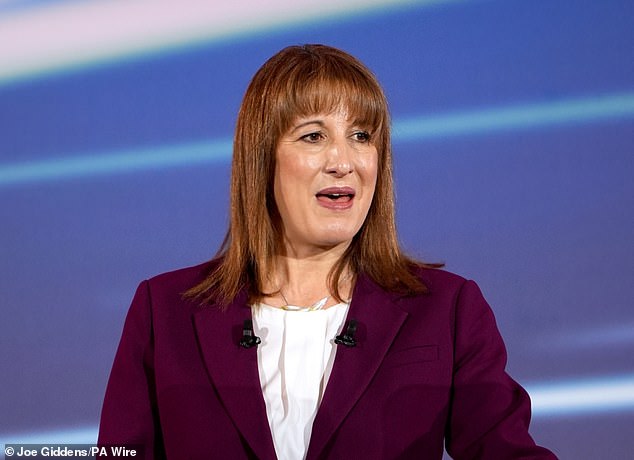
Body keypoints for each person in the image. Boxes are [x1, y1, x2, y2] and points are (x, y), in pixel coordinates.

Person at [99, 44, 557, 459]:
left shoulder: (446, 310)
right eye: (313, 136)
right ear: (262, 158)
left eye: (361, 136)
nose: (343, 162)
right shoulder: (165, 311)